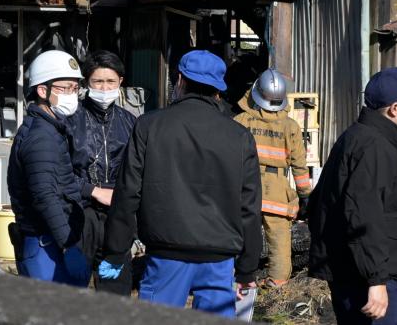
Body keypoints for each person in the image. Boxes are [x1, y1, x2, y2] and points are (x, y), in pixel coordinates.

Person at [100, 50, 263, 318]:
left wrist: (115, 252)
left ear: (179, 80)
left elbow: (128, 193)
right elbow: (249, 206)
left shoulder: (149, 126)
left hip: (166, 255)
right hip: (219, 259)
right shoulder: (240, 136)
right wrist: (247, 268)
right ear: (218, 90)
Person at [307, 67, 397, 325]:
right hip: (367, 279)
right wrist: (376, 281)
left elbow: (320, 202)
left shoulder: (355, 137)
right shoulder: (375, 148)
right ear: (394, 109)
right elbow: (365, 216)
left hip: (354, 272)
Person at [6, 50, 91, 286]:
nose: (72, 95)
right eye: (65, 88)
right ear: (43, 91)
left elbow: (61, 182)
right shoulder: (41, 138)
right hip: (47, 246)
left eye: (75, 88)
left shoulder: (50, 128)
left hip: (50, 242)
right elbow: (45, 196)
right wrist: (69, 245)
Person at [66, 50, 137, 295]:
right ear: (86, 83)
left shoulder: (131, 122)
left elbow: (138, 172)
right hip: (78, 215)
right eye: (98, 81)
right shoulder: (70, 119)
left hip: (117, 219)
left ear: (120, 83)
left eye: (110, 82)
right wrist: (92, 190)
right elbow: (59, 172)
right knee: (71, 290)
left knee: (115, 292)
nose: (104, 88)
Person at [234, 69, 312, 289]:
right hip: (277, 189)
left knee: (241, 235)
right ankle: (277, 281)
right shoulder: (291, 127)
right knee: (279, 238)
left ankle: (238, 277)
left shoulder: (240, 121)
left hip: (245, 187)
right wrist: (305, 196)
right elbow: (299, 166)